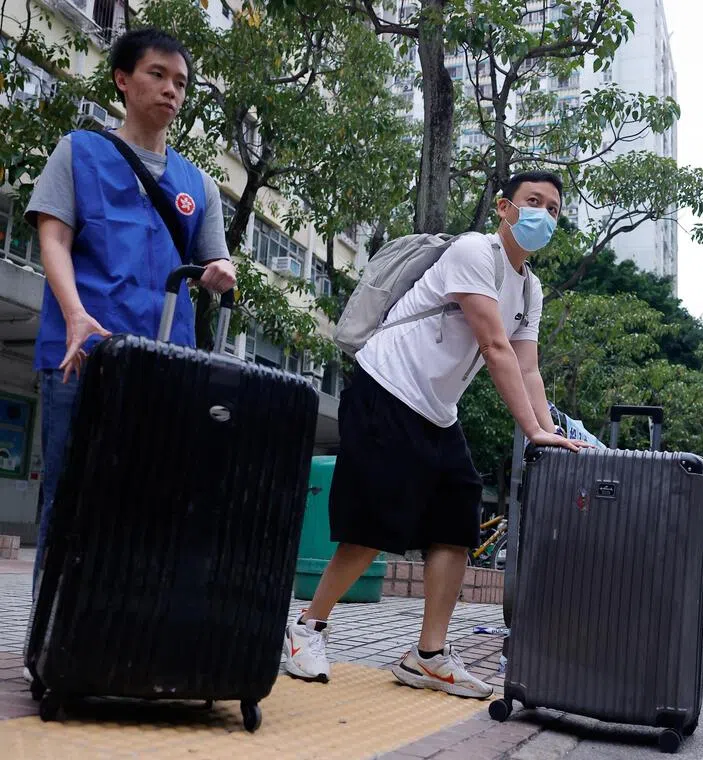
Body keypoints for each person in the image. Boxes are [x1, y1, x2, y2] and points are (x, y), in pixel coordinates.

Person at [283, 171, 589, 699]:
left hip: (436, 411)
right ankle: (307, 628)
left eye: (553, 209)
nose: (542, 214)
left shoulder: (529, 287)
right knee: (375, 523)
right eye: (532, 201)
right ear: (504, 208)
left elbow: (528, 368)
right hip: (386, 386)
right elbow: (494, 347)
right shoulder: (474, 252)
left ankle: (427, 656)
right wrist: (533, 432)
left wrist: (550, 431)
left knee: (456, 521)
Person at [24, 27, 236, 587]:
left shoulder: (199, 185)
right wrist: (74, 313)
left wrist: (222, 271)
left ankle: (125, 626)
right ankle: (53, 631)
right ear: (123, 79)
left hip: (168, 365)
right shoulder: (79, 152)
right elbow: (53, 239)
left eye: (181, 83)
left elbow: (217, 262)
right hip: (82, 355)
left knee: (150, 502)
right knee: (71, 499)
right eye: (157, 75)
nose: (171, 90)